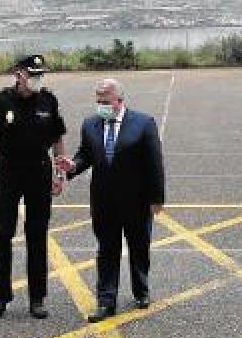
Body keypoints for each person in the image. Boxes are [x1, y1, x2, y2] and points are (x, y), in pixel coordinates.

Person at [56, 77, 165, 323]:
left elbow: (154, 163)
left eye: (105, 102)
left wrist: (156, 198)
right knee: (106, 250)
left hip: (137, 201)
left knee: (139, 247)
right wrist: (72, 166)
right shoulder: (90, 124)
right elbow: (85, 155)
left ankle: (141, 290)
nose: (101, 106)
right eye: (98, 101)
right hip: (104, 202)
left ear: (119, 100)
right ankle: (106, 301)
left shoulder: (143, 123)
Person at [0, 54, 67, 319]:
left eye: (41, 75)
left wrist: (59, 175)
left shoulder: (48, 100)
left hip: (39, 171)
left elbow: (57, 140)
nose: (38, 79)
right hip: (8, 173)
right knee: (1, 233)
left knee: (37, 234)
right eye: (33, 75)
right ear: (19, 75)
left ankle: (37, 298)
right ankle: (2, 295)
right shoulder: (1, 101)